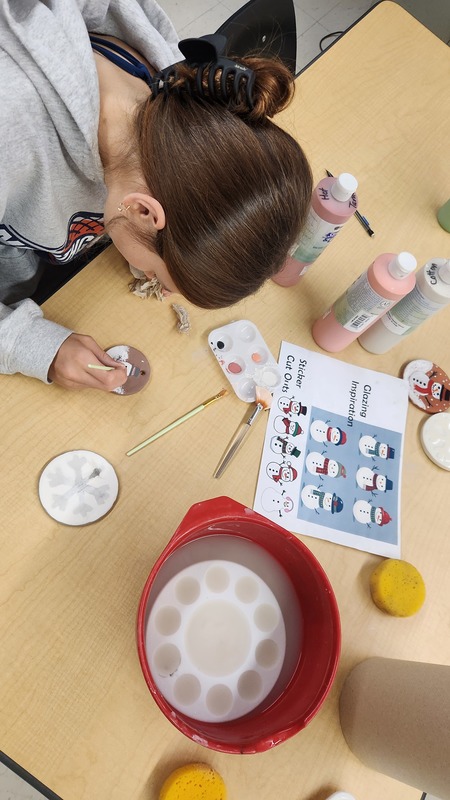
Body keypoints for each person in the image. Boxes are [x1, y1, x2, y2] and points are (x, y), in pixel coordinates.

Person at [0, 0, 312, 392]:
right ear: (143, 211)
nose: (155, 283)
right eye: (156, 276)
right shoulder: (10, 131)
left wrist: (159, 251)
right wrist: (31, 345)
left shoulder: (179, 96)